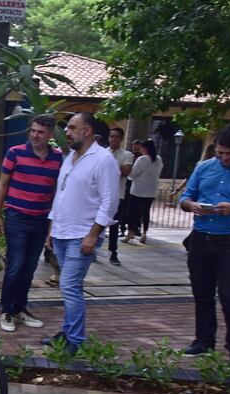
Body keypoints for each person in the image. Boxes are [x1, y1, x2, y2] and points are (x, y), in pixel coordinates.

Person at [42, 113, 119, 355]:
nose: (67, 131)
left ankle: (75, 339)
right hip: (63, 232)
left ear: (87, 131)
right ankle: (67, 333)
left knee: (69, 286)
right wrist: (52, 228)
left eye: (72, 128)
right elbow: (60, 195)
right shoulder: (70, 158)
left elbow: (110, 201)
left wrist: (93, 234)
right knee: (68, 286)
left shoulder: (103, 159)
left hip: (82, 235)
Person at [179, 124, 230, 361]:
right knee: (202, 293)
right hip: (201, 238)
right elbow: (185, 198)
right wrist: (192, 206)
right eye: (220, 153)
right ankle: (204, 340)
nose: (224, 158)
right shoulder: (204, 167)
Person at [0, 115, 62, 332]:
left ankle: (20, 308)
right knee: (15, 266)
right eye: (32, 130)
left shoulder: (58, 159)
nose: (35, 135)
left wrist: (53, 222)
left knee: (30, 267)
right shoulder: (15, 153)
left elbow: (55, 192)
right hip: (17, 217)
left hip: (40, 219)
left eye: (40, 132)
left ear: (50, 134)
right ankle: (6, 311)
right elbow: (2, 185)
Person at [123, 139, 162, 244]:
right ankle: (144, 233)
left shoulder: (142, 159)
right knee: (146, 212)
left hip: (138, 190)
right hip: (151, 191)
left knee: (132, 212)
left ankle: (130, 232)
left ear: (144, 148)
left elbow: (132, 175)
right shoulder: (158, 159)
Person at [106, 127, 133, 265]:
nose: (113, 139)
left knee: (114, 226)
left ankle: (113, 252)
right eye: (111, 136)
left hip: (118, 196)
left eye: (116, 137)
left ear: (121, 139)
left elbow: (125, 172)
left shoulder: (127, 154)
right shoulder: (104, 152)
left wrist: (109, 163)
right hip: (102, 196)